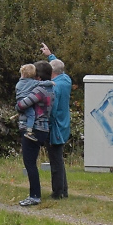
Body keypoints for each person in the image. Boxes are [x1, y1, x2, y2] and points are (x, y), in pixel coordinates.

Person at [15, 62, 55, 206]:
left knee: (30, 163)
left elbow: (22, 105)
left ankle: (35, 196)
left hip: (34, 128)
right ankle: (35, 194)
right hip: (43, 128)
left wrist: (17, 105)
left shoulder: (39, 90)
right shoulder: (50, 89)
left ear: (38, 75)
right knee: (31, 162)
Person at [39, 42, 71, 199]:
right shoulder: (66, 80)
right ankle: (63, 190)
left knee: (55, 161)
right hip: (64, 125)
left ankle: (58, 192)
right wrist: (50, 55)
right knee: (59, 159)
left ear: (52, 72)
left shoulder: (56, 87)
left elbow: (51, 109)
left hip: (55, 127)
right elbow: (59, 67)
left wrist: (44, 120)